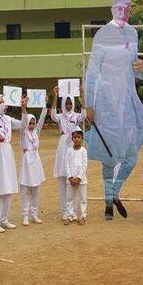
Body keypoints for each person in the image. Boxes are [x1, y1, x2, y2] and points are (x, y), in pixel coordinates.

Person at [84, 0, 143, 220]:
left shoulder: (133, 34)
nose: (123, 11)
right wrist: (89, 105)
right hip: (104, 102)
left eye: (127, 8)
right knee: (107, 156)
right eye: (119, 7)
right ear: (112, 9)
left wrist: (142, 69)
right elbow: (92, 72)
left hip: (126, 101)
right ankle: (107, 203)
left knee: (131, 155)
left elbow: (138, 73)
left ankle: (114, 191)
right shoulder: (102, 35)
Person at [0, 94, 29, 233]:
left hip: (8, 151)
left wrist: (23, 109)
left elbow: (23, 124)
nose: (6, 106)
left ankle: (4, 219)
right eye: (3, 103)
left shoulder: (8, 119)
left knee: (8, 186)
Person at [50, 87, 86, 219]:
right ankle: (64, 211)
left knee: (74, 175)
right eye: (66, 103)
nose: (69, 105)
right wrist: (55, 96)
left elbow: (84, 115)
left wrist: (82, 96)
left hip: (74, 144)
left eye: (70, 103)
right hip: (63, 145)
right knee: (63, 178)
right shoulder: (60, 116)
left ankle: (74, 210)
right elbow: (52, 115)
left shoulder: (76, 116)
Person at [20, 99, 48, 226]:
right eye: (29, 123)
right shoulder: (23, 133)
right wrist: (24, 108)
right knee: (26, 190)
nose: (31, 125)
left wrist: (44, 105)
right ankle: (25, 215)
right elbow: (24, 120)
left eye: (33, 123)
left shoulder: (36, 132)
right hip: (27, 162)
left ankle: (34, 214)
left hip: (36, 161)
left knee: (36, 189)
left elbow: (42, 119)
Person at [63, 127, 88, 225]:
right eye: (75, 137)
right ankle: (70, 216)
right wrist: (70, 178)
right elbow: (66, 165)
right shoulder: (69, 151)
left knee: (83, 199)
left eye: (79, 137)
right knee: (69, 198)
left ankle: (82, 216)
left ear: (81, 138)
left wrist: (78, 178)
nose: (77, 139)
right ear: (72, 138)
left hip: (81, 180)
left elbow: (84, 165)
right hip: (70, 180)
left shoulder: (83, 151)